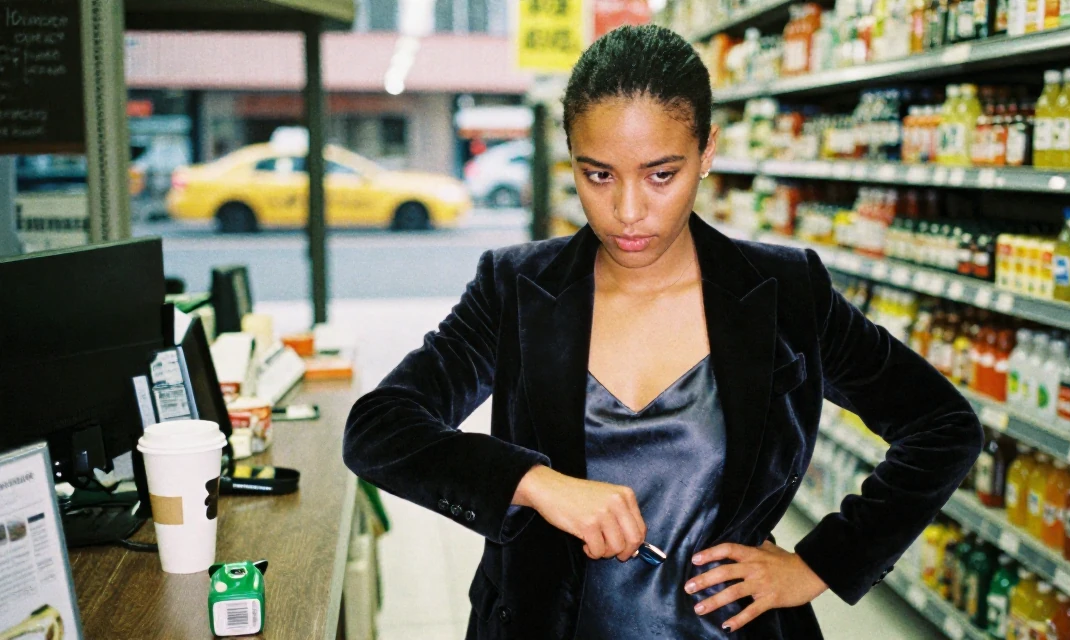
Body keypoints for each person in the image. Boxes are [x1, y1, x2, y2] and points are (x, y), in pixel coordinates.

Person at [343, 25, 982, 639]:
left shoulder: (784, 294)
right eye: (598, 175)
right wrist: (533, 483)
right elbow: (379, 428)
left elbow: (942, 425)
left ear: (707, 152)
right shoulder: (516, 289)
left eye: (660, 175)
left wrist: (821, 564)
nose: (627, 211)